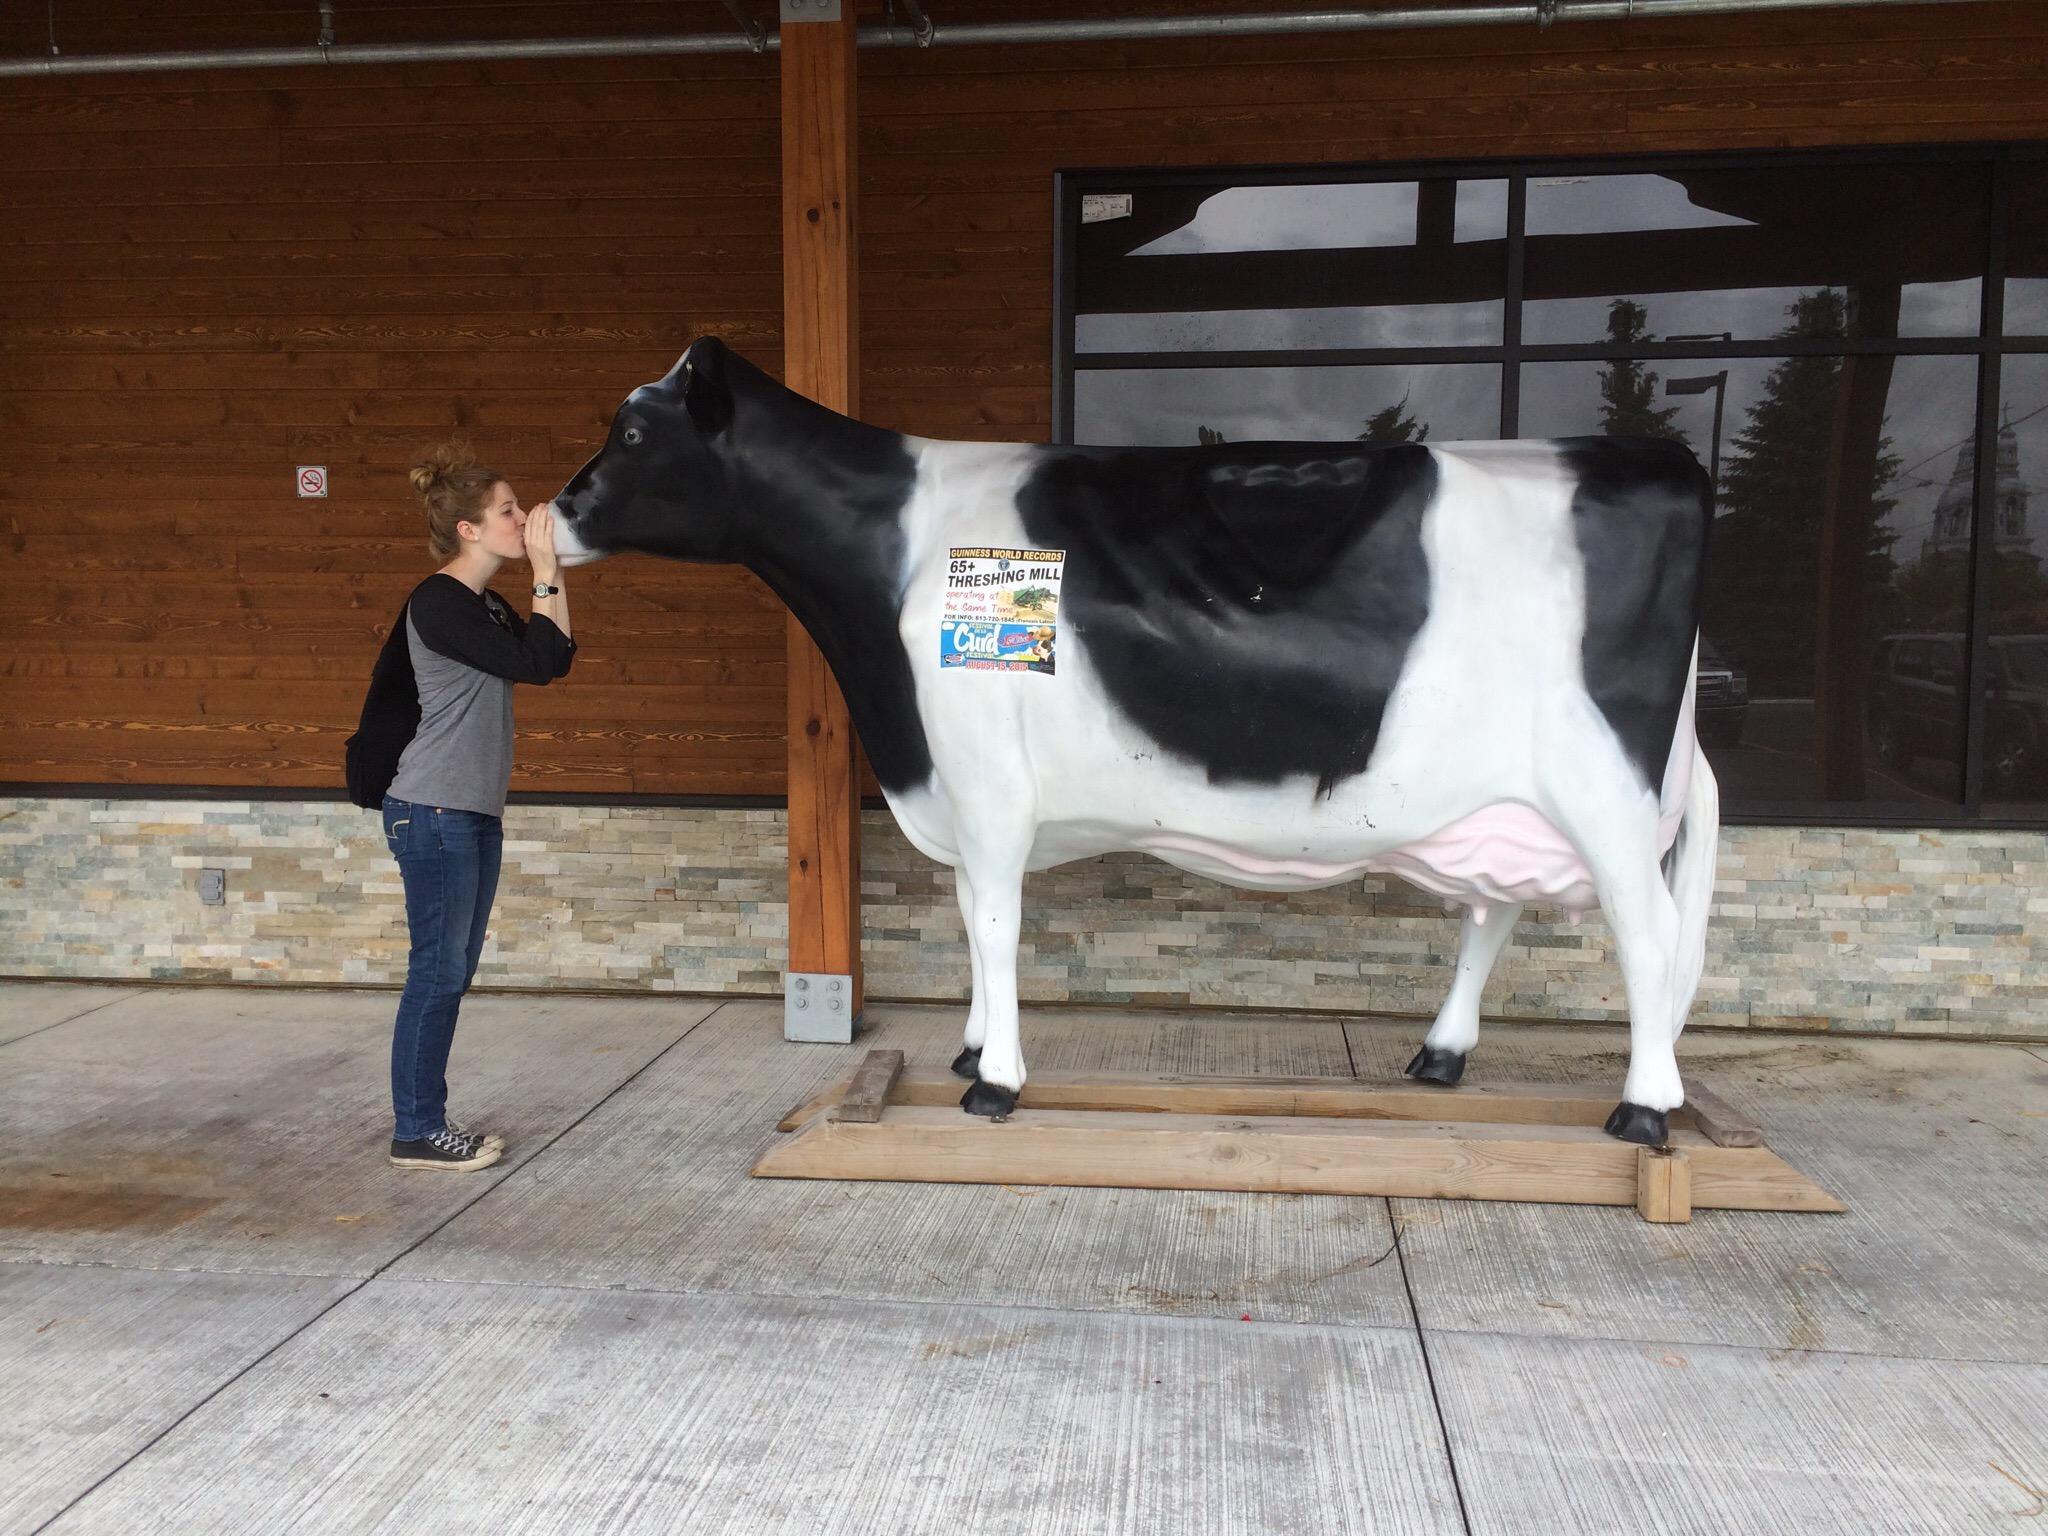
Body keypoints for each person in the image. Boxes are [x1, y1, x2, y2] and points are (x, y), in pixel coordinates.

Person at [380, 444, 577, 1171]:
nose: (522, 519)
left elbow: (553, 658)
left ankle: (422, 1121)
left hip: (466, 811)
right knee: (437, 972)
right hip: (434, 810)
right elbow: (532, 661)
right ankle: (417, 1130)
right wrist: (545, 571)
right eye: (507, 511)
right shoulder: (438, 603)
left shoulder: (485, 604)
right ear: (468, 529)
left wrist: (552, 575)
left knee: (450, 971)